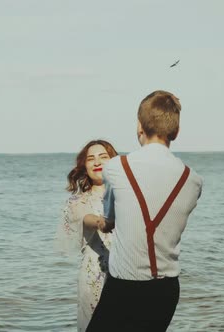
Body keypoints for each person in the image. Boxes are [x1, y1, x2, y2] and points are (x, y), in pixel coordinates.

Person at [86, 91, 203, 332]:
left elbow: (111, 220)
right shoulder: (193, 180)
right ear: (176, 131)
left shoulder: (117, 167)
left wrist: (98, 223)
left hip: (124, 287)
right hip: (166, 291)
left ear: (140, 127)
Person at [55, 139, 119, 332]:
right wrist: (103, 222)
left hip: (126, 275)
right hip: (95, 278)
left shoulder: (126, 195)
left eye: (103, 157)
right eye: (91, 158)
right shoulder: (77, 201)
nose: (97, 162)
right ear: (85, 166)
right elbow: (88, 219)